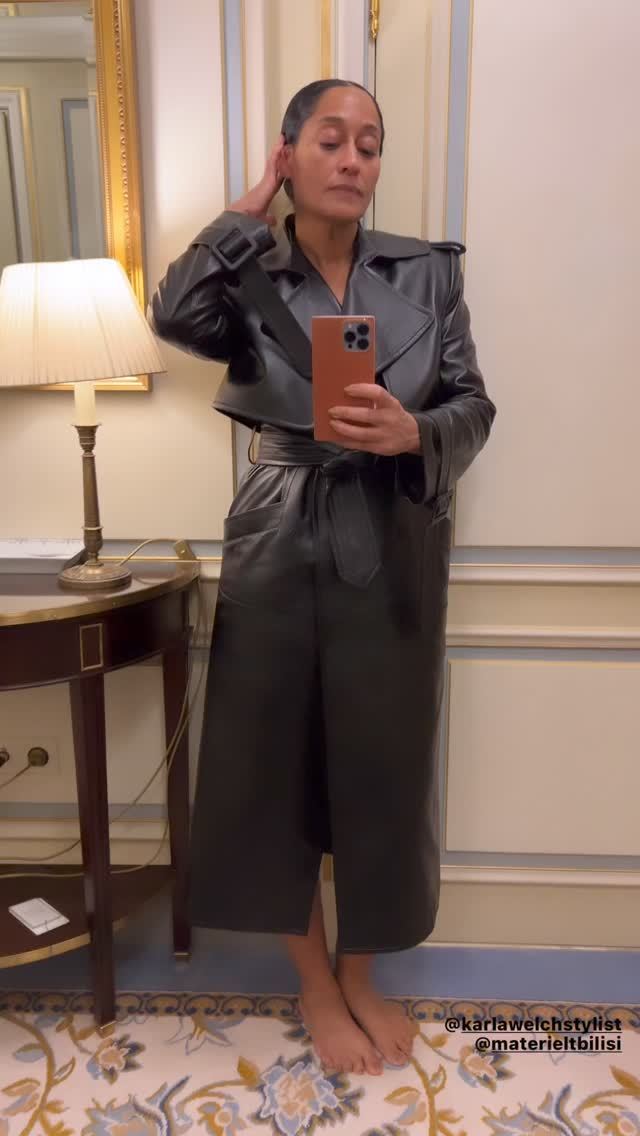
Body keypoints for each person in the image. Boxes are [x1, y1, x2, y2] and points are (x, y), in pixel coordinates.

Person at [148, 78, 496, 1078]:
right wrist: (245, 209)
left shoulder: (427, 274)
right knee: (274, 764)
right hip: (277, 530)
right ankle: (312, 983)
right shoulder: (247, 272)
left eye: (369, 145)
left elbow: (473, 404)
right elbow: (174, 316)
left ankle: (361, 974)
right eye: (331, 140)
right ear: (289, 155)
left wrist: (412, 431)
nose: (353, 160)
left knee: (384, 766)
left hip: (394, 532)